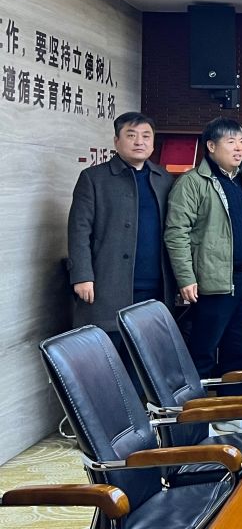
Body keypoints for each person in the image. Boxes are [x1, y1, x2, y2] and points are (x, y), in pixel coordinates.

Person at [67, 112, 174, 382]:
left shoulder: (164, 179)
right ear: (116, 141)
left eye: (146, 136)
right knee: (104, 364)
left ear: (153, 142)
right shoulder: (94, 178)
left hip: (154, 288)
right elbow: (79, 229)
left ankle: (139, 410)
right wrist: (82, 275)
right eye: (131, 135)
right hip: (107, 285)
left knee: (145, 364)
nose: (139, 142)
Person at [164, 117, 242, 399]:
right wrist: (186, 278)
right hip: (212, 280)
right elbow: (176, 233)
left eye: (241, 141)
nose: (239, 148)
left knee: (239, 350)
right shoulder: (192, 182)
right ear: (211, 146)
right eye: (231, 142)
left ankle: (234, 411)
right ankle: (197, 415)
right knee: (203, 351)